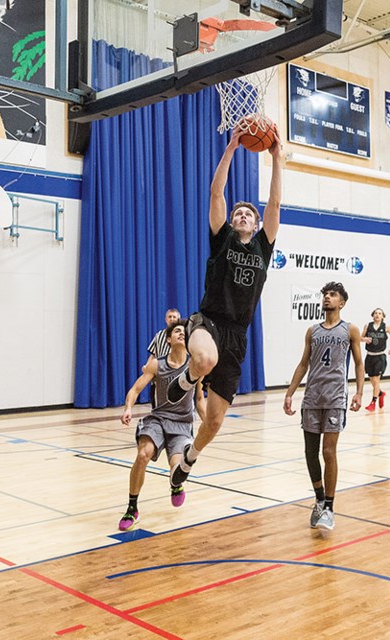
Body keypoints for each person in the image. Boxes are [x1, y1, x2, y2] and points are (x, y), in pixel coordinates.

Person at [168, 121, 284, 487]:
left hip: (238, 333)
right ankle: (184, 383)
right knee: (204, 359)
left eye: (248, 213)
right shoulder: (222, 240)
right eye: (239, 213)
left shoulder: (264, 245)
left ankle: (187, 461)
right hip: (209, 321)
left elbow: (276, 202)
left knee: (214, 421)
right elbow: (216, 194)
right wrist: (232, 148)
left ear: (257, 222)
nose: (242, 215)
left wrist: (277, 157)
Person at [284, 282, 365, 532]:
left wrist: (360, 393)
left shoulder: (350, 330)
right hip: (312, 397)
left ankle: (329, 507)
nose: (327, 298)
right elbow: (303, 364)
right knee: (310, 453)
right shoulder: (312, 331)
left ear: (342, 303)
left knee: (328, 452)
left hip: (335, 398)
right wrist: (289, 393)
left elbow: (360, 364)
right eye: (325, 295)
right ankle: (319, 499)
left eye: (332, 295)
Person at [117, 320, 205, 531]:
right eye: (176, 331)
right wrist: (128, 407)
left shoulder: (195, 366)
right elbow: (135, 389)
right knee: (142, 455)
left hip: (182, 424)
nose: (181, 334)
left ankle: (176, 485)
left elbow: (199, 399)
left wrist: (210, 421)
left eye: (184, 332)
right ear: (168, 339)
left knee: (178, 468)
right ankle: (132, 508)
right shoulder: (157, 364)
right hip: (158, 420)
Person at [362, 308, 390, 412]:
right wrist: (364, 339)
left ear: (383, 316)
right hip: (369, 356)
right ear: (373, 315)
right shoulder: (367, 326)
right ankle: (381, 393)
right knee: (372, 380)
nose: (377, 315)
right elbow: (360, 337)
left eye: (379, 313)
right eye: (375, 313)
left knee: (376, 380)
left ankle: (373, 402)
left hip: (380, 357)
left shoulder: (386, 327)